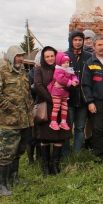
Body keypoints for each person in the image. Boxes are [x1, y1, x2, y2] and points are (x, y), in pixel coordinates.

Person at [0, 45, 33, 196]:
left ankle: (13, 179)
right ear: (10, 57)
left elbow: (27, 95)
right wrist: (11, 107)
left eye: (22, 55)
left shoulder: (23, 73)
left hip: (24, 120)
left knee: (19, 151)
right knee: (6, 152)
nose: (20, 58)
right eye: (17, 56)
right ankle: (1, 186)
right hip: (10, 121)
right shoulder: (1, 72)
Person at [34, 46, 72, 178]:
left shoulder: (62, 68)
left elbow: (70, 81)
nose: (50, 59)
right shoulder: (39, 69)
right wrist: (52, 99)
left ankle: (55, 165)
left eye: (52, 56)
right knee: (45, 136)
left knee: (59, 135)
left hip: (61, 105)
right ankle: (46, 166)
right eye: (47, 56)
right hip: (46, 105)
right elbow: (38, 85)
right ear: (43, 58)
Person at [63, 30, 92, 155]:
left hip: (83, 98)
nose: (78, 42)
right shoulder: (65, 56)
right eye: (75, 40)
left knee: (80, 127)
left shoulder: (88, 56)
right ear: (71, 41)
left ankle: (76, 152)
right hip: (69, 98)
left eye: (80, 40)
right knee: (66, 128)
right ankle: (65, 152)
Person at [47, 52, 79, 131]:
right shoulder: (58, 70)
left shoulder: (69, 70)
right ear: (60, 63)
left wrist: (75, 81)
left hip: (64, 94)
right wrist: (70, 82)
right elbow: (60, 79)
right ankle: (53, 122)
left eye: (67, 62)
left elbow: (74, 76)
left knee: (65, 108)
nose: (66, 64)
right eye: (64, 63)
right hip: (57, 93)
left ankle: (63, 122)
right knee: (56, 107)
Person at [27, 51, 42, 165]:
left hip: (42, 105)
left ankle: (39, 156)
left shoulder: (43, 72)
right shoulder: (31, 75)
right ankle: (30, 159)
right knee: (31, 133)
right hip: (33, 106)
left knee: (40, 132)